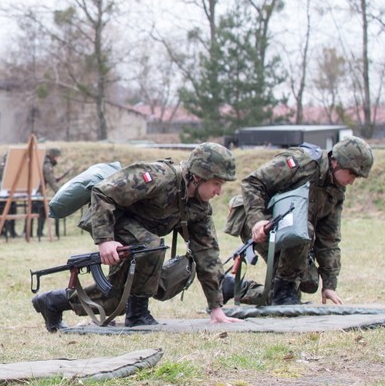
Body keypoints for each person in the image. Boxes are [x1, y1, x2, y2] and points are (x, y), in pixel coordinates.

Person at [32, 143, 242, 330]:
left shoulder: (199, 209)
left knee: (113, 299)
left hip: (138, 237)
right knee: (151, 245)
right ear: (198, 176)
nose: (219, 192)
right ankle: (138, 314)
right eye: (216, 183)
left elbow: (208, 255)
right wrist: (105, 240)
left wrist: (216, 308)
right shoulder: (159, 177)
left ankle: (52, 302)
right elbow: (102, 193)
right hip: (110, 219)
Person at [224, 137, 374, 306]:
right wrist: (257, 221)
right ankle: (284, 290)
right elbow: (253, 183)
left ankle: (232, 287)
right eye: (352, 174)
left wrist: (329, 285)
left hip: (292, 233)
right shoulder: (302, 163)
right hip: (257, 221)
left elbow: (329, 239)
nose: (352, 182)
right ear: (336, 162)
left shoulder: (336, 191)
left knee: (303, 285)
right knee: (288, 283)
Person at [32, 147, 61, 238]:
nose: (57, 159)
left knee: (35, 211)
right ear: (53, 156)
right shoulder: (47, 165)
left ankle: (32, 232)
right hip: (37, 193)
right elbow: (51, 181)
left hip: (35, 191)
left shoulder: (42, 162)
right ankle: (38, 232)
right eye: (56, 157)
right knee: (42, 211)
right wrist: (60, 192)